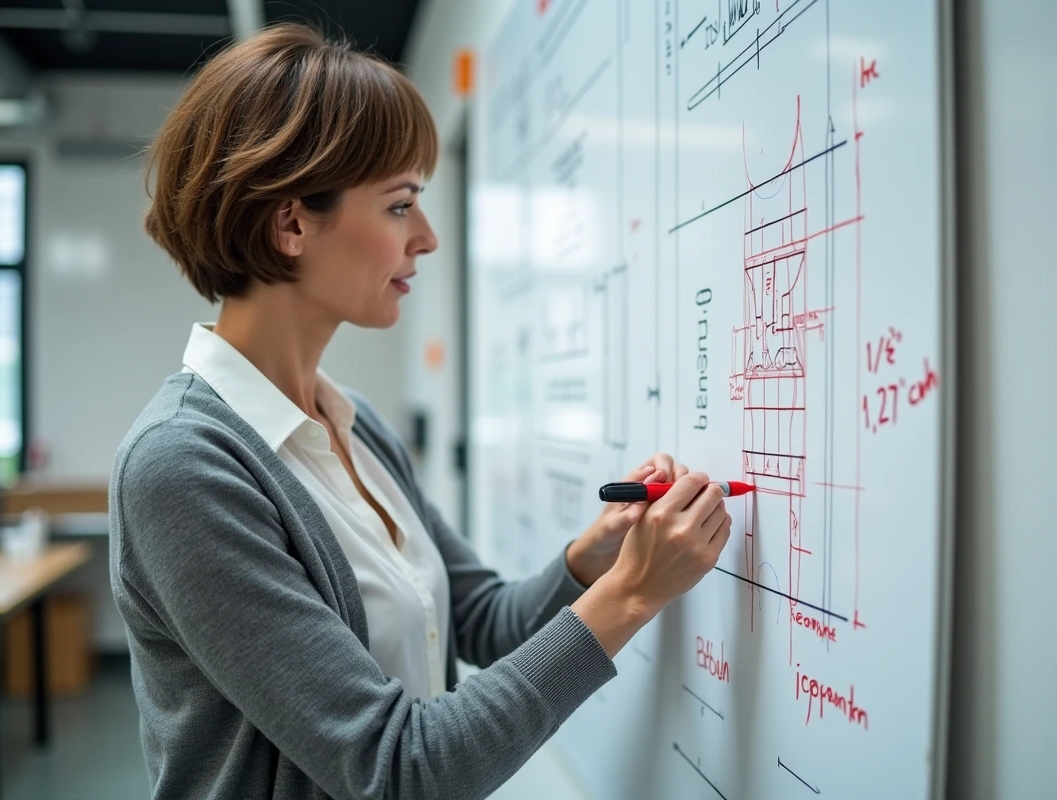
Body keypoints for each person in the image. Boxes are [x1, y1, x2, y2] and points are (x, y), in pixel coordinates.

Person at [109, 23, 731, 800]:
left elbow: (483, 622)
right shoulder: (183, 468)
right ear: (292, 222)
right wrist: (632, 595)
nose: (429, 239)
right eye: (401, 205)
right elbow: (396, 770)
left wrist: (595, 557)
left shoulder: (353, 422)